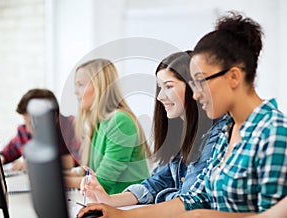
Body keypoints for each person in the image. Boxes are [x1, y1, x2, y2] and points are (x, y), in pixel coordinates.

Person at [77, 11, 287, 218]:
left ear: (233, 76)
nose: (195, 94)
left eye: (201, 81)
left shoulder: (273, 132)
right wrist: (119, 213)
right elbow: (195, 198)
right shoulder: (228, 130)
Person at [78, 52, 227, 206]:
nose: (160, 96)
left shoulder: (214, 134)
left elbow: (187, 200)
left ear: (193, 88)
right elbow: (158, 181)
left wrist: (156, 200)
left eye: (168, 86)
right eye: (159, 87)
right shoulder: (179, 133)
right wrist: (108, 201)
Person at [64, 58, 150, 194]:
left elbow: (101, 183)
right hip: (110, 204)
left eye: (81, 84)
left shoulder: (121, 122)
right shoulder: (99, 123)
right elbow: (86, 170)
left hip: (129, 207)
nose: (75, 91)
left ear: (100, 87)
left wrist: (57, 180)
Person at [0, 88, 78, 171]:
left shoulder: (72, 126)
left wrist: (33, 165)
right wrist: (0, 160)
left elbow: (81, 159)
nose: (28, 130)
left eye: (32, 123)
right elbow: (5, 154)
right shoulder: (24, 133)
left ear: (53, 116)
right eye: (25, 122)